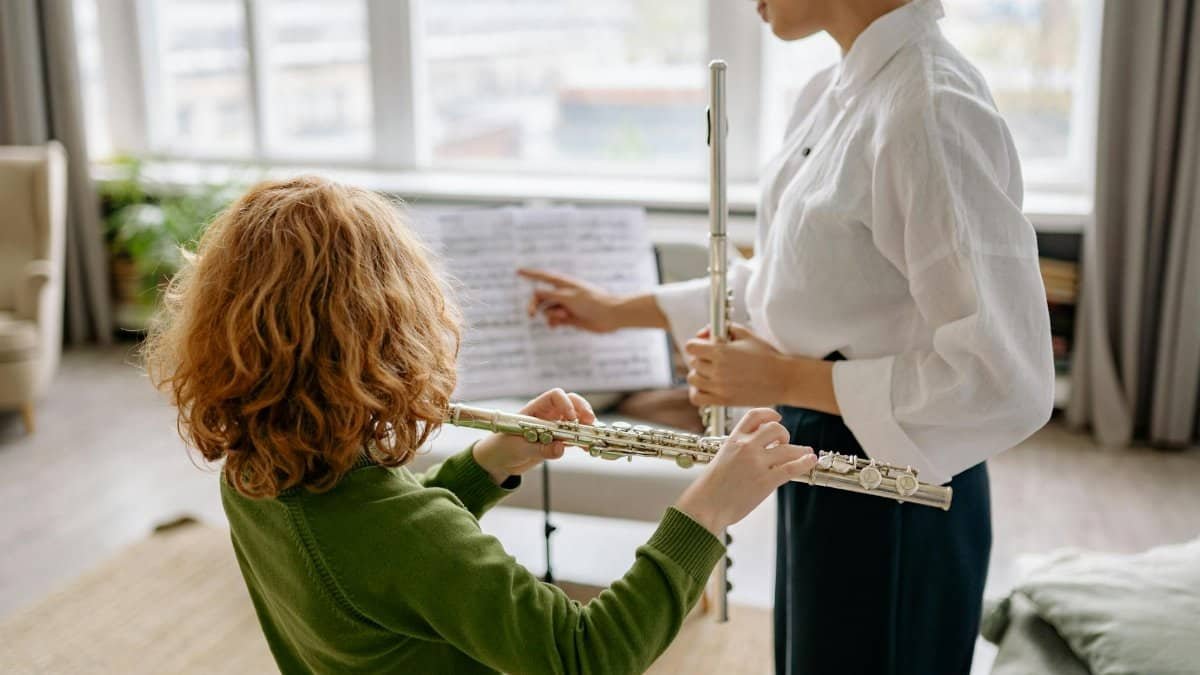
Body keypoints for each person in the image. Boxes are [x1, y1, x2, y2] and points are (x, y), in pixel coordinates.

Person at [520, 0, 1055, 673]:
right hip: (819, 445)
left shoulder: (931, 109)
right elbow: (795, 285)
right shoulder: (833, 93)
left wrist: (782, 379)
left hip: (896, 474)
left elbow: (1003, 375)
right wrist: (616, 310)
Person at [143, 176, 819, 675]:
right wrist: (706, 510)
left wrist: (490, 460)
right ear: (385, 341)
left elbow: (388, 563)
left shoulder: (253, 474)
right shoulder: (404, 534)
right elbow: (587, 654)